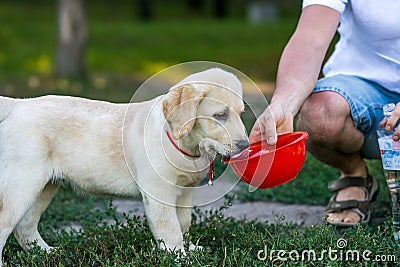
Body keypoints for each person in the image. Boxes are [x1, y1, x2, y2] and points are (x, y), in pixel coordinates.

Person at [249, 1, 400, 226]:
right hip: (362, 85)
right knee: (319, 113)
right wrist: (284, 103)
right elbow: (311, 38)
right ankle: (354, 176)